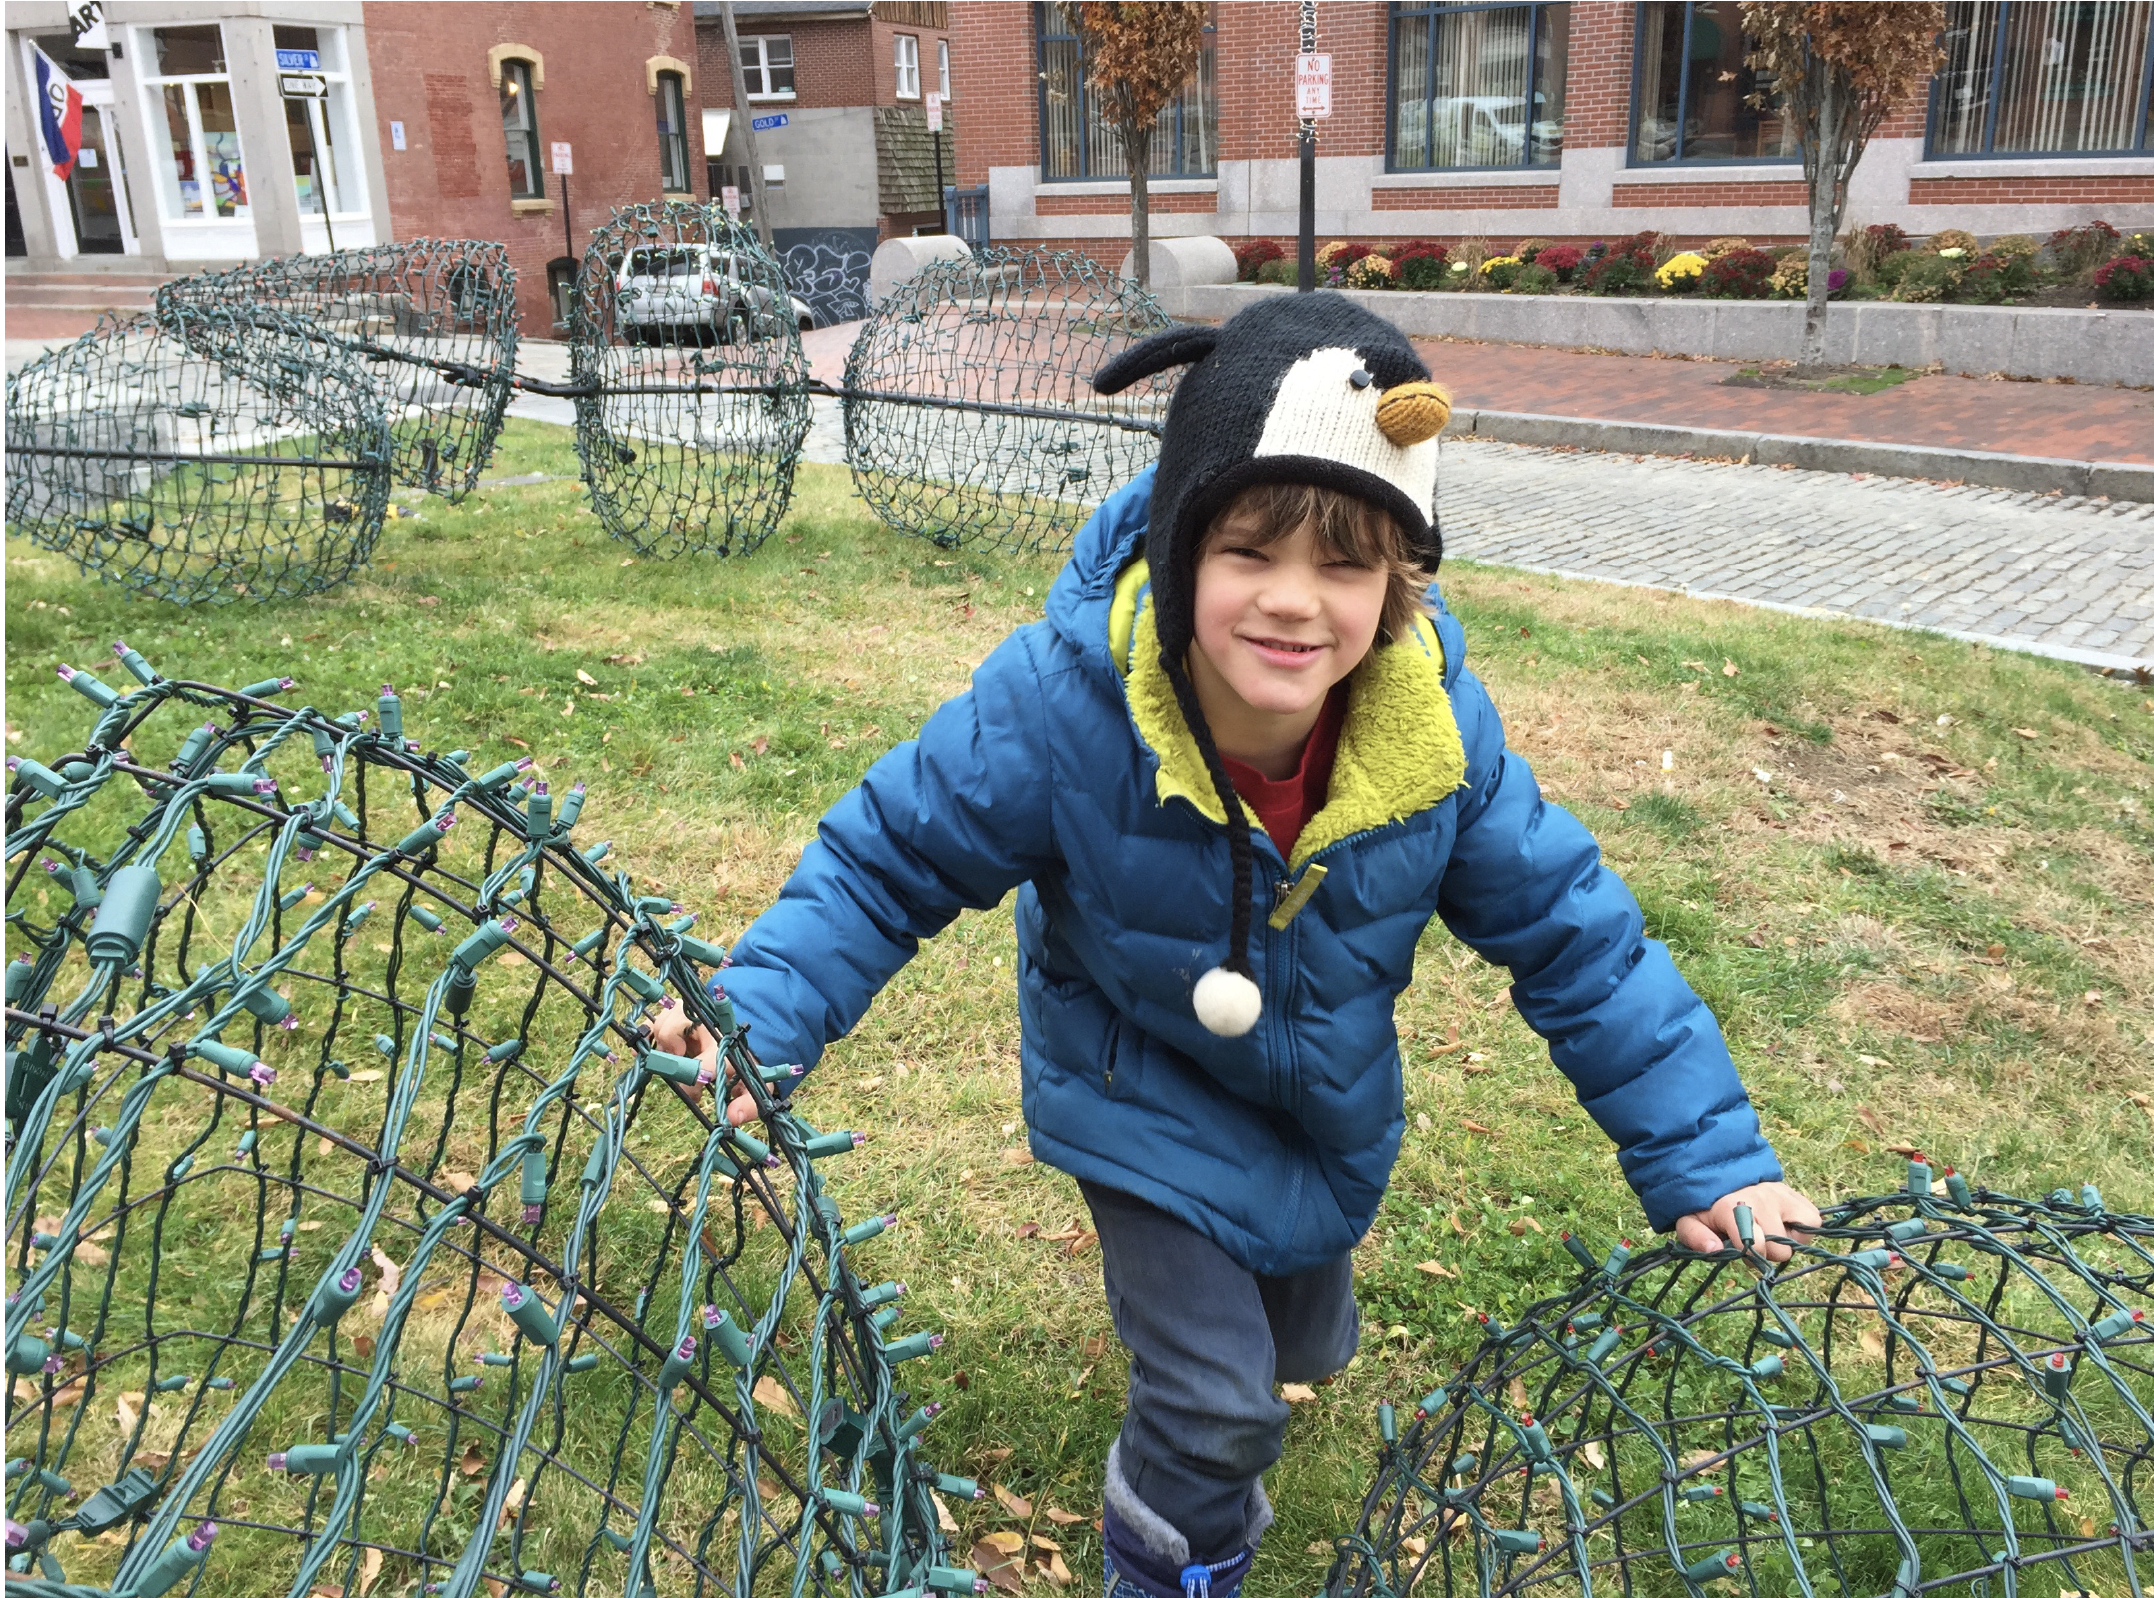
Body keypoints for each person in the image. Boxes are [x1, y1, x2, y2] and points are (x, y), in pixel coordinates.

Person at [649, 292, 1820, 1598]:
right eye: (1250, 550)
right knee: (1215, 1404)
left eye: (1345, 566)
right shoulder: (1063, 707)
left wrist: (1708, 1154)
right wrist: (763, 1005)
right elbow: (888, 858)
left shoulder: (1428, 740)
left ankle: (1266, 1345)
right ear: (1181, 539)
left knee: (1300, 1329)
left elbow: (1577, 941)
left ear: (1396, 587)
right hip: (1131, 1072)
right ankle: (1170, 1564)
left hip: (1314, 1093)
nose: (1294, 603)